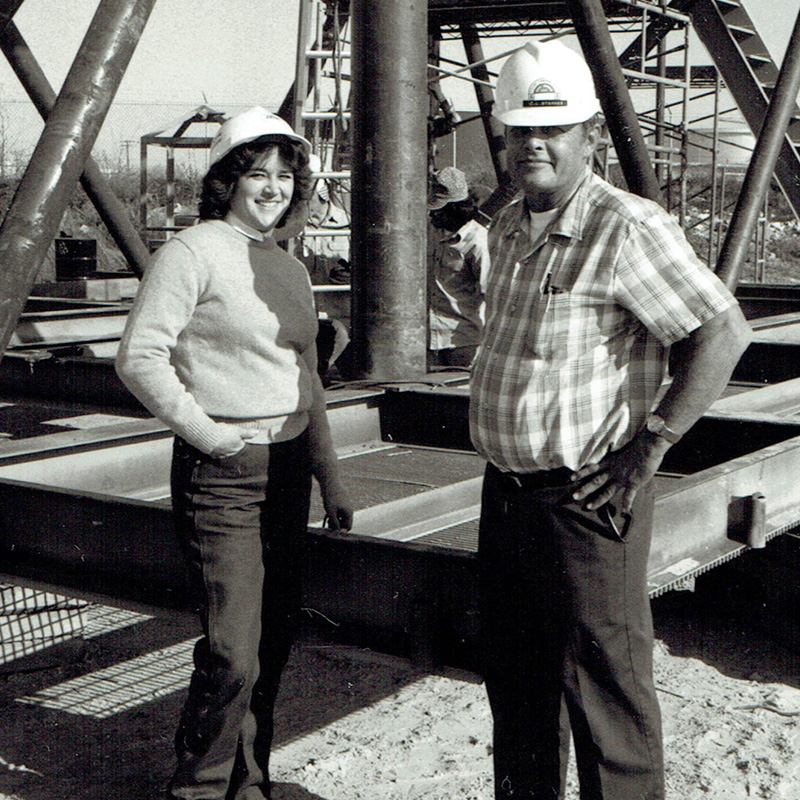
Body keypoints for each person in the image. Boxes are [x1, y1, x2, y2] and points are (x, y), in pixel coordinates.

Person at [470, 40, 752, 800]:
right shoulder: (506, 228)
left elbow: (720, 332)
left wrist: (649, 447)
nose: (534, 143)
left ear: (588, 134)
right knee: (520, 690)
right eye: (520, 130)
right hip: (508, 494)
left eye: (552, 129)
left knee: (605, 696)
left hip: (586, 499)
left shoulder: (625, 226)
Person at [115, 106, 354, 800]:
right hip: (222, 476)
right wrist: (213, 435)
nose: (273, 187)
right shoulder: (190, 254)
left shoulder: (289, 267)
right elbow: (140, 358)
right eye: (257, 173)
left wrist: (330, 480)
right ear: (226, 181)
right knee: (231, 652)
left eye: (285, 174)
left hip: (287, 474)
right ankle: (198, 787)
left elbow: (307, 382)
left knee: (270, 643)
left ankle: (249, 781)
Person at [427, 166, 491, 369]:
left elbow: (492, 294)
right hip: (427, 341)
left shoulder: (478, 242)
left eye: (438, 211)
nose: (432, 216)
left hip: (463, 343)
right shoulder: (431, 234)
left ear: (456, 209)